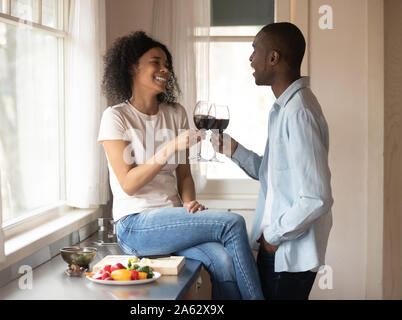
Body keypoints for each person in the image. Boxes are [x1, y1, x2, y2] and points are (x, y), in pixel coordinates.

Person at [97, 31, 263, 300]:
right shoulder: (116, 117)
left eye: (167, 65)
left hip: (173, 220)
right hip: (136, 226)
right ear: (131, 66)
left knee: (223, 260)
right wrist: (169, 148)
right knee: (232, 222)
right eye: (156, 62)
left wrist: (189, 204)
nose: (165, 70)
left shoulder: (176, 113)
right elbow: (128, 184)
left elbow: (184, 175)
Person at [211, 22, 333, 300]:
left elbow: (316, 196)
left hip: (288, 255)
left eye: (255, 51)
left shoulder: (298, 112)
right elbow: (274, 175)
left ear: (274, 58)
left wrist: (272, 237)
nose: (250, 59)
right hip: (280, 251)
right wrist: (234, 150)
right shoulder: (285, 109)